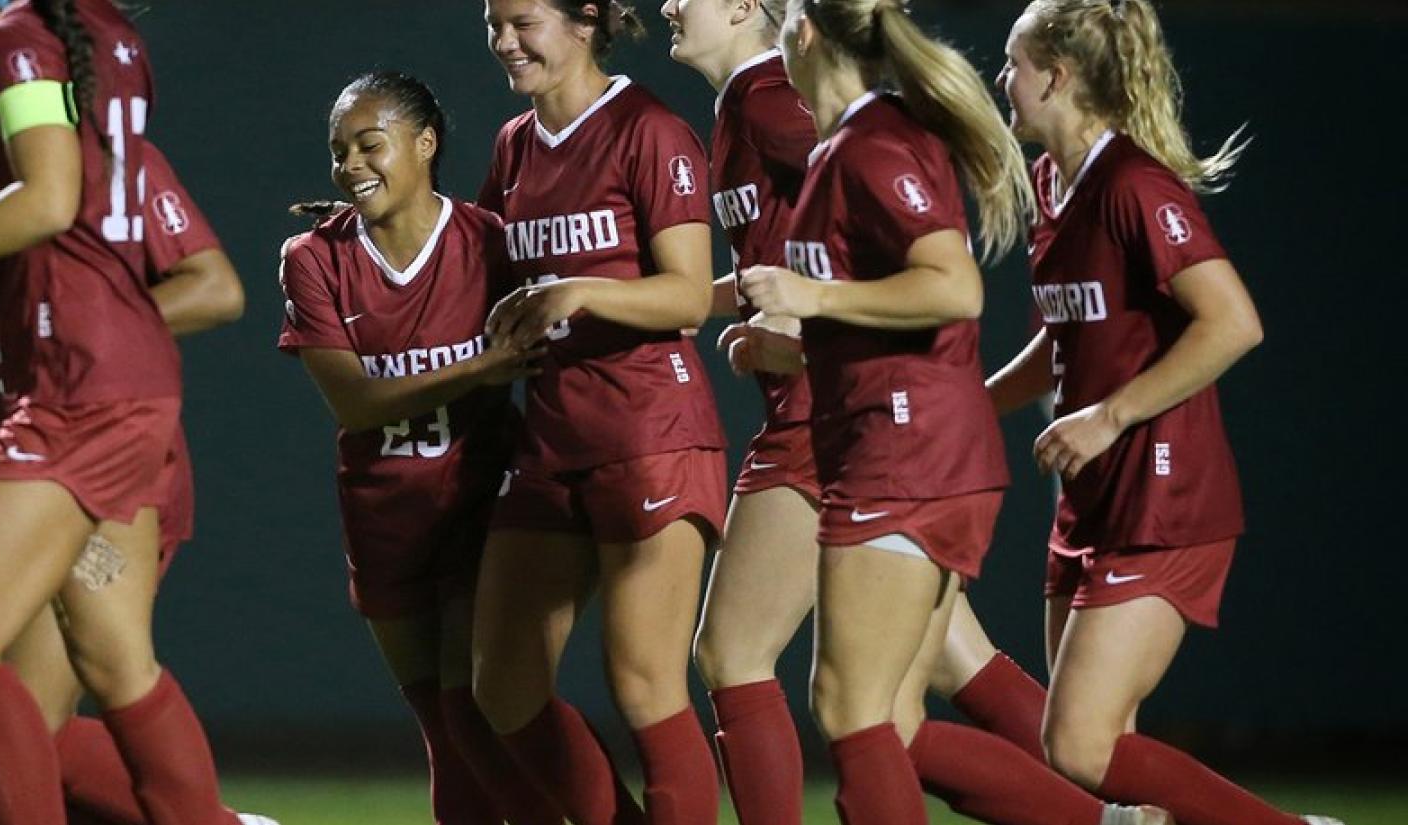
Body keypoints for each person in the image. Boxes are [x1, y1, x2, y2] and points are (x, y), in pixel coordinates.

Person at [662, 3, 1107, 824]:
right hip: (867, 419)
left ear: (774, 21)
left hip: (867, 430)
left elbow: (944, 280)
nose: (666, 5)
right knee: (915, 698)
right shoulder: (778, 117)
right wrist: (745, 313)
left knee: (759, 663)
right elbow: (820, 261)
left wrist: (804, 303)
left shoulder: (806, 118)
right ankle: (1126, 814)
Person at [0, 2, 246, 823]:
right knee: (113, 666)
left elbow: (50, 199)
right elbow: (39, 215)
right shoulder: (111, 41)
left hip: (81, 402)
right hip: (106, 398)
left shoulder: (22, 47)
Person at [989, 3, 1339, 824]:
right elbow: (1061, 342)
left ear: (1058, 75)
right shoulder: (1053, 183)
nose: (1003, 80)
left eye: (1014, 63)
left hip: (1164, 501)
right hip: (1093, 500)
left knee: (1078, 745)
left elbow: (1234, 322)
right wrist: (967, 408)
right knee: (1096, 769)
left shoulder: (1133, 185)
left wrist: (1108, 417)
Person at [278, 71, 560, 825]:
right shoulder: (313, 257)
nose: (351, 165)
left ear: (425, 142)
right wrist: (483, 367)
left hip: (480, 504)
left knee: (479, 709)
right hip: (384, 515)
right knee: (443, 724)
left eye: (371, 144)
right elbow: (356, 400)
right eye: (340, 151)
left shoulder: (489, 240)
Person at [474, 2, 729, 822]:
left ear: (586, 20)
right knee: (503, 682)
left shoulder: (647, 128)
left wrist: (579, 289)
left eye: (523, 21)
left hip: (650, 432)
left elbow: (690, 294)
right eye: (492, 23)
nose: (505, 41)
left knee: (644, 679)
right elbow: (478, 274)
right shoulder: (514, 145)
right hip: (552, 437)